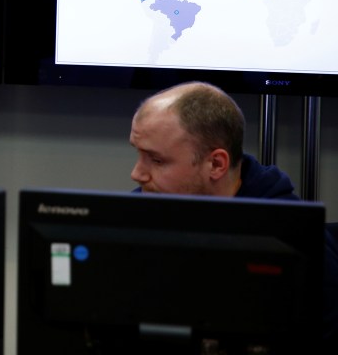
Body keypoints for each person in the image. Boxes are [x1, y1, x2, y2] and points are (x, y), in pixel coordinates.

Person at [128, 80, 338, 348]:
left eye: (156, 160)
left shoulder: (295, 243)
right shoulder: (135, 218)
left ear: (216, 164)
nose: (137, 174)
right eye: (139, 154)